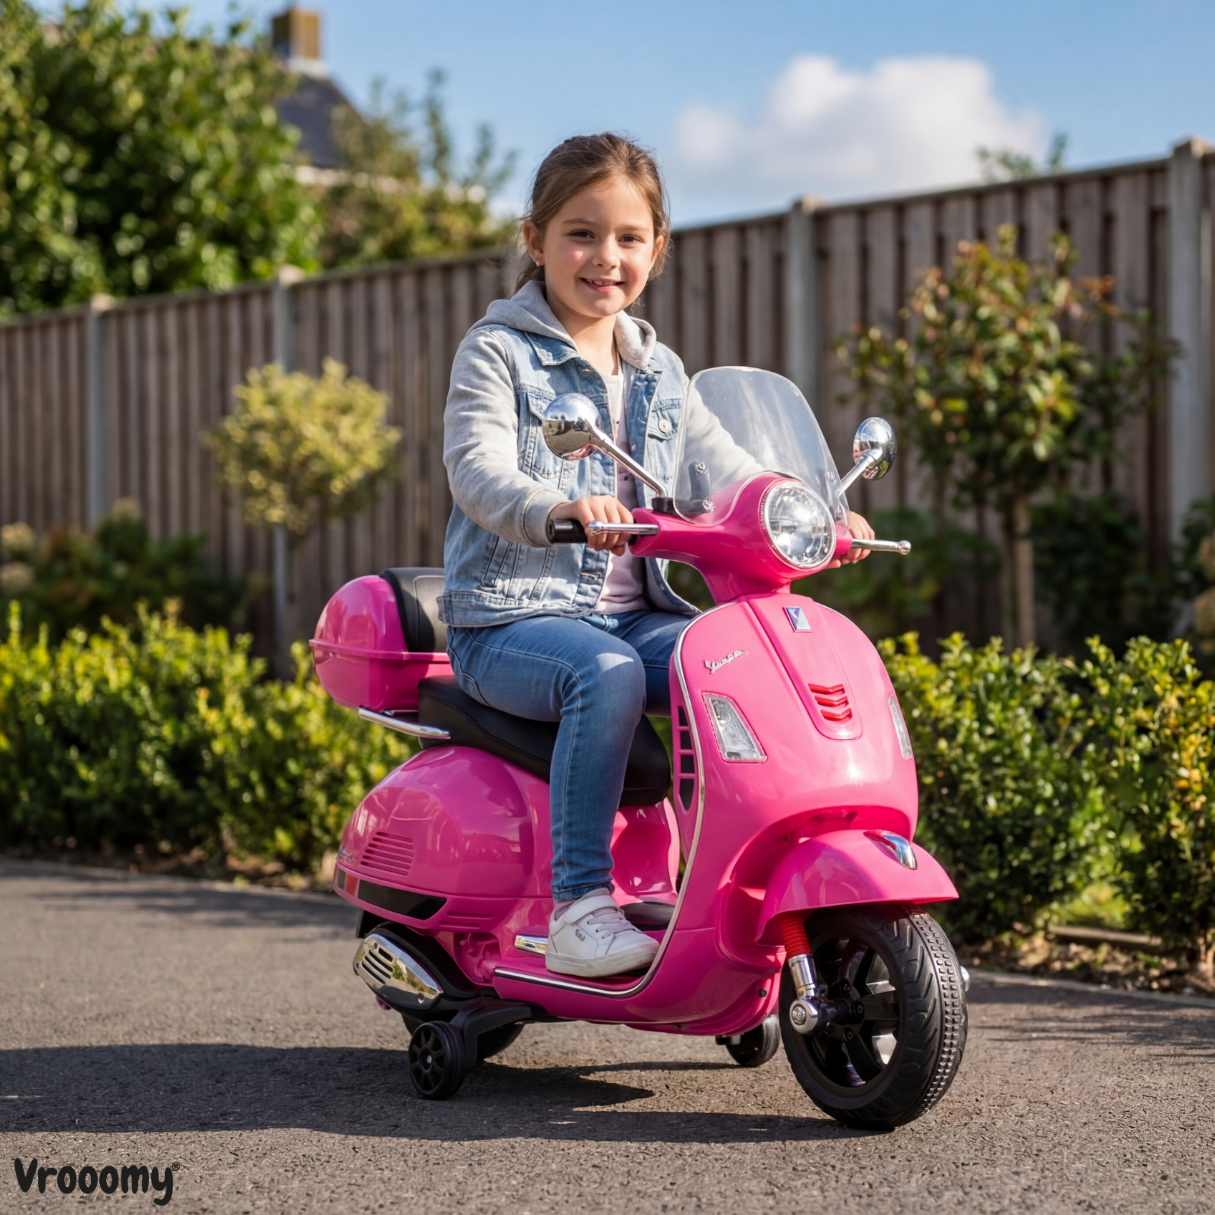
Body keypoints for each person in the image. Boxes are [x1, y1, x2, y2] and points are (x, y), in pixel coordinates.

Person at [439, 133, 873, 978]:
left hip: (636, 615)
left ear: (657, 249)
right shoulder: (498, 351)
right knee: (603, 674)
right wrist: (556, 507)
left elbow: (731, 470)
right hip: (511, 621)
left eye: (628, 237)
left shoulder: (660, 371)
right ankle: (580, 905)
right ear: (535, 240)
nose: (606, 256)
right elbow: (476, 465)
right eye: (581, 233)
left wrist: (813, 512)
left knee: (744, 665)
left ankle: (726, 882)